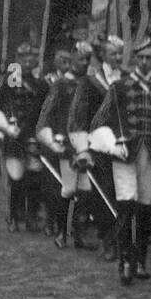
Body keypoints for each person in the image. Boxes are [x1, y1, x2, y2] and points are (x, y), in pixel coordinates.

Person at [86, 37, 151, 285]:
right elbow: (99, 120)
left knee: (146, 208)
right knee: (125, 206)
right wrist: (111, 143)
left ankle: (140, 258)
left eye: (149, 57)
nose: (143, 61)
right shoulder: (119, 87)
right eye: (139, 57)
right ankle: (125, 261)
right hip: (125, 154)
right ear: (135, 58)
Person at [68, 35, 125, 260]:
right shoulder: (90, 82)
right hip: (97, 146)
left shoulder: (128, 78)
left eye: (121, 53)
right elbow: (79, 117)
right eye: (114, 54)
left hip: (123, 145)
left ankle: (122, 240)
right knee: (104, 194)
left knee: (125, 196)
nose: (118, 58)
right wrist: (82, 149)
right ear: (103, 56)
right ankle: (106, 240)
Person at [0, 41, 50, 233]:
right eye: (24, 57)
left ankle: (31, 217)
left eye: (32, 56)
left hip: (32, 134)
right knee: (16, 176)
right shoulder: (10, 79)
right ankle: (13, 216)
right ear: (18, 59)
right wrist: (1, 126)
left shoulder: (41, 82)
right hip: (14, 134)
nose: (28, 60)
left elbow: (45, 108)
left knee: (35, 177)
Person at [36, 42, 93, 249]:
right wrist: (51, 139)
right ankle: (61, 232)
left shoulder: (89, 83)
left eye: (87, 59)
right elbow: (47, 113)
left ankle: (78, 233)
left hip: (86, 143)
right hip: (67, 143)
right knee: (68, 189)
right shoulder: (60, 84)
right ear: (73, 57)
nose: (84, 63)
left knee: (86, 189)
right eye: (80, 58)